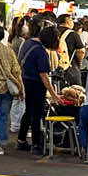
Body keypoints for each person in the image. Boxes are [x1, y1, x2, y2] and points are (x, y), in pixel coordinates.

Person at [17, 22, 62, 157]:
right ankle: (37, 145)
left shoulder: (28, 43)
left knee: (28, 111)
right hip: (36, 85)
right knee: (36, 115)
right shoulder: (41, 52)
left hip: (25, 80)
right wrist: (54, 95)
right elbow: (44, 75)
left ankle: (21, 139)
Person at [0, 23, 22, 154]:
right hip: (7, 88)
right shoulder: (8, 50)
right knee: (3, 117)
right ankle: (1, 145)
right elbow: (16, 70)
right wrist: (21, 87)